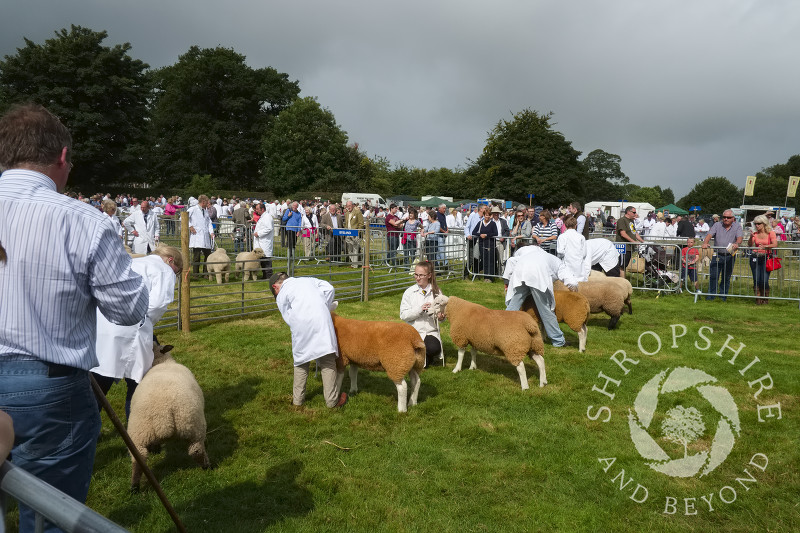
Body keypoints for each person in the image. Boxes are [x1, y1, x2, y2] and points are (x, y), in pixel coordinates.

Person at [0, 103, 149, 533]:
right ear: (62, 157)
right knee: (48, 519)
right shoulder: (83, 221)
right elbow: (128, 310)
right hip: (49, 390)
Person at [92, 245, 182, 420]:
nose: (175, 275)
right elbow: (157, 304)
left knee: (98, 383)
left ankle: (85, 436)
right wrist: (145, 322)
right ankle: (137, 435)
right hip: (133, 329)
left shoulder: (133, 262)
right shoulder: (164, 270)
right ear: (170, 260)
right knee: (137, 385)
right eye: (176, 271)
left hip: (104, 328)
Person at [269, 272, 348, 408]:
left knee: (301, 362)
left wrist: (298, 322)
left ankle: (297, 402)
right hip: (321, 322)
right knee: (327, 361)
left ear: (275, 287)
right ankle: (332, 402)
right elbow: (329, 288)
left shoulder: (281, 294)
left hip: (301, 327)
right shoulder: (308, 280)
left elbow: (287, 316)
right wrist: (324, 305)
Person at [502, 244, 575, 346]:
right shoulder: (559, 263)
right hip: (536, 274)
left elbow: (511, 261)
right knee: (545, 309)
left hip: (521, 271)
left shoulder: (529, 253)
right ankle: (558, 340)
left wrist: (507, 279)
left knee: (513, 305)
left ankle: (500, 329)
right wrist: (574, 288)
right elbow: (569, 279)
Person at [400, 260, 446, 367]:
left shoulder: (437, 292)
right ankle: (422, 357)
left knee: (433, 348)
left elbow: (442, 317)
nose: (417, 278)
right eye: (416, 274)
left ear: (429, 275)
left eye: (421, 275)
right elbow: (403, 315)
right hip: (413, 331)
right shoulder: (409, 292)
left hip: (430, 332)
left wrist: (440, 317)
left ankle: (424, 356)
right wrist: (419, 310)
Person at [702, 209, 743, 301]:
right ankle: (711, 296)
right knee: (713, 276)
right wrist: (705, 242)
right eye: (724, 217)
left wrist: (737, 243)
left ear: (733, 218)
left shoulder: (737, 226)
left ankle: (723, 297)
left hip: (730, 255)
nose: (726, 219)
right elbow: (709, 234)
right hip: (717, 254)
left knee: (726, 277)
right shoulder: (717, 225)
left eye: (728, 217)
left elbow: (740, 237)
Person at [748, 215, 777, 304]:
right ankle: (758, 299)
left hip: (766, 257)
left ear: (764, 224)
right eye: (755, 224)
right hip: (755, 257)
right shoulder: (755, 234)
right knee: (756, 279)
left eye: (759, 224)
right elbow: (749, 245)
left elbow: (775, 244)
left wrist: (765, 246)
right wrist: (750, 237)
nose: (757, 226)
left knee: (764, 279)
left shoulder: (771, 233)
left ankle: (765, 298)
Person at [188, 195, 215, 275]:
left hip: (205, 236)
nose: (208, 203)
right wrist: (190, 226)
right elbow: (182, 218)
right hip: (196, 235)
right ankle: (196, 274)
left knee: (208, 255)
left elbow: (209, 222)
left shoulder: (205, 210)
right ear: (203, 202)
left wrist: (211, 232)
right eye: (207, 202)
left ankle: (205, 273)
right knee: (196, 257)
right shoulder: (192, 209)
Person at [557, 215, 587, 282]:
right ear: (576, 225)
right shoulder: (581, 237)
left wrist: (567, 255)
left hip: (566, 265)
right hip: (579, 267)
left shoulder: (562, 236)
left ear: (565, 225)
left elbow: (560, 251)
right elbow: (584, 253)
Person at [472, 206, 498, 281]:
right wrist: (480, 234)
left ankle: (490, 278)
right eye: (486, 215)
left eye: (488, 215)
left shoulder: (493, 224)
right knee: (484, 261)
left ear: (490, 216)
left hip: (491, 245)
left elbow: (495, 233)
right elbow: (474, 232)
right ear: (483, 215)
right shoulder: (480, 223)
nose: (487, 216)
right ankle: (485, 277)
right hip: (482, 245)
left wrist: (486, 235)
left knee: (491, 261)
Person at [615, 206, 645, 271]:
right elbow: (623, 234)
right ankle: (621, 280)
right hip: (623, 247)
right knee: (621, 267)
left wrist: (642, 241)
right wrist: (633, 242)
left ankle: (622, 279)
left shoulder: (631, 221)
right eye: (634, 212)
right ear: (628, 212)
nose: (635, 214)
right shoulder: (622, 220)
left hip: (630, 247)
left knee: (625, 265)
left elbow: (634, 233)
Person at [253, 202, 274, 279]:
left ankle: (269, 276)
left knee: (266, 260)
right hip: (261, 242)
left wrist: (258, 233)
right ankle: (265, 276)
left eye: (258, 209)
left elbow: (269, 228)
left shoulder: (267, 217)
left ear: (262, 209)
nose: (256, 211)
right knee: (263, 260)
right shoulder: (263, 216)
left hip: (265, 242)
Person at [343, 200, 364, 267]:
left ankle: (355, 265)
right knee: (349, 249)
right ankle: (354, 262)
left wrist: (358, 232)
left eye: (350, 205)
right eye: (347, 206)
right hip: (348, 234)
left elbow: (361, 223)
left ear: (352, 205)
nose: (348, 207)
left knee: (355, 249)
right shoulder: (346, 214)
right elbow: (346, 224)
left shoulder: (358, 212)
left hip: (355, 234)